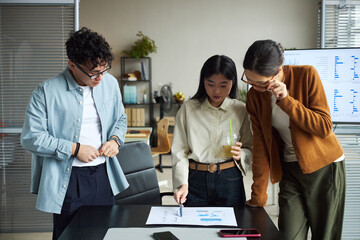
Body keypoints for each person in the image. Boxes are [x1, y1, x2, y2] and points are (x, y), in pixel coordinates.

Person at [21, 27, 129, 239]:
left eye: (104, 70)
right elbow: (31, 137)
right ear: (72, 65)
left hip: (104, 175)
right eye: (93, 72)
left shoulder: (110, 84)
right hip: (69, 180)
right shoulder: (46, 91)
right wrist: (74, 148)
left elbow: (120, 119)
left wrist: (116, 140)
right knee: (71, 235)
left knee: (106, 234)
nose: (100, 78)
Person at [242, 39, 346, 240]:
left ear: (278, 71)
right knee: (288, 236)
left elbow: (324, 127)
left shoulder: (306, 75)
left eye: (261, 83)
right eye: (249, 80)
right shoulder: (254, 97)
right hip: (290, 171)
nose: (254, 87)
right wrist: (258, 196)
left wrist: (287, 101)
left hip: (325, 169)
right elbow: (261, 146)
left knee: (325, 236)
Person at [172, 55, 253, 207]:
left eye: (223, 85)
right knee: (193, 228)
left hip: (230, 179)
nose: (216, 91)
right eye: (210, 84)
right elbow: (179, 151)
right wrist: (182, 183)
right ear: (203, 81)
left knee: (231, 228)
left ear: (232, 82)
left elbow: (250, 147)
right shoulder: (188, 109)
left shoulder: (241, 110)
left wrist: (241, 154)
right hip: (195, 178)